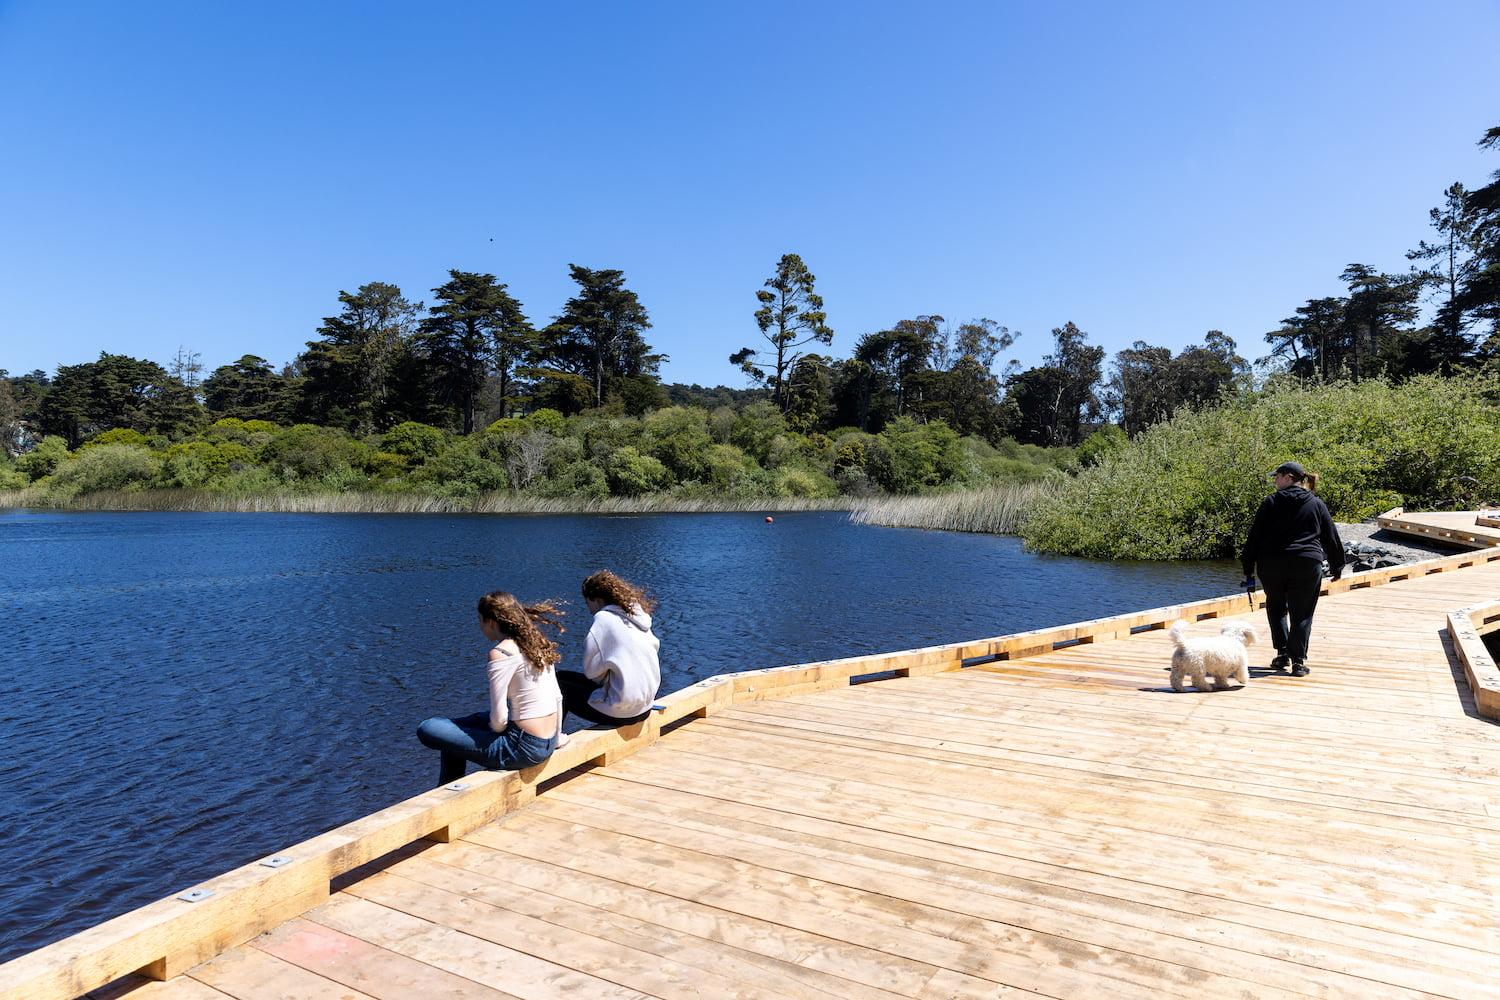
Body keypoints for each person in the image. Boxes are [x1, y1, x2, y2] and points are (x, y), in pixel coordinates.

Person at [416, 591, 565, 786]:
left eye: (480, 621)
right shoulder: (537, 644)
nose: (480, 626)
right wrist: (556, 738)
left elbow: (499, 720)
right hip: (549, 739)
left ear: (492, 622)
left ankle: (448, 790)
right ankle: (449, 788)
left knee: (428, 727)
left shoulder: (500, 653)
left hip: (521, 748)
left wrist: (496, 731)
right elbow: (558, 697)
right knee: (464, 726)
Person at [1239, 461, 1345, 678]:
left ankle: (1282, 654)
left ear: (1288, 477)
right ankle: (1298, 661)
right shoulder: (1316, 504)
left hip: (1272, 564)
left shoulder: (1270, 503)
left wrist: (1248, 568)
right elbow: (1331, 537)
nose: (1275, 481)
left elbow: (1254, 538)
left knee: (1276, 607)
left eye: (1276, 476)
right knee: (1302, 612)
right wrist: (1337, 566)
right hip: (1307, 563)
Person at [557, 570, 661, 728]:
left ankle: (553, 739)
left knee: (559, 685)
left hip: (620, 713)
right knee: (562, 676)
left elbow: (592, 673)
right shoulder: (636, 617)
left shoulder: (603, 620)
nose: (589, 609)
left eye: (588, 603)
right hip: (644, 708)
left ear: (597, 600)